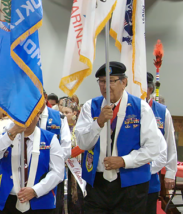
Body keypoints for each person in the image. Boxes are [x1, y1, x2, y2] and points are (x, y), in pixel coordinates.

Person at [75, 61, 164, 214]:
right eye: (102, 81)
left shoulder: (140, 108)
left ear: (124, 82)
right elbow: (82, 143)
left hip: (131, 186)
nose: (105, 86)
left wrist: (124, 161)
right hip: (97, 183)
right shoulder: (90, 107)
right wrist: (99, 122)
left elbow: (154, 147)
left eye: (111, 81)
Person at [0, 110, 64, 214]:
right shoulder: (6, 136)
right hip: (8, 200)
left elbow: (58, 172)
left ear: (38, 115)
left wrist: (35, 190)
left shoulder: (50, 139)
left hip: (40, 201)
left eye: (29, 115)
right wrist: (12, 132)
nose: (25, 119)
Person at [146, 72, 177, 214]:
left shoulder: (161, 111)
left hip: (151, 174)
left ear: (150, 89)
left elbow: (169, 142)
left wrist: (170, 171)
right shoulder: (126, 108)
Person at [39, 93, 71, 214]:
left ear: (45, 97)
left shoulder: (59, 118)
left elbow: (66, 149)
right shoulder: (23, 119)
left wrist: (48, 162)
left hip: (53, 175)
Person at [59, 98, 84, 214]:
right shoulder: (59, 129)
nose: (63, 115)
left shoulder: (80, 128)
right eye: (62, 112)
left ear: (74, 113)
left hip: (77, 169)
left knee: (75, 199)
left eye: (67, 112)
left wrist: (71, 153)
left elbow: (84, 145)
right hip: (62, 168)